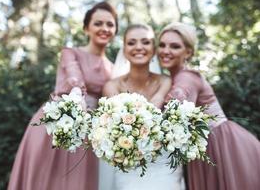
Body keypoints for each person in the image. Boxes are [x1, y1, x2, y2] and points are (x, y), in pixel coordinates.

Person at [7, 1, 118, 190]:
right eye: (98, 23)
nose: (104, 28)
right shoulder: (70, 53)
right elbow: (74, 75)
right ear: (86, 28)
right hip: (55, 123)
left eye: (110, 24)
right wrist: (76, 94)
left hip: (88, 132)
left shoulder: (114, 69)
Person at [157, 22, 260, 190]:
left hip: (219, 145)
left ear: (188, 52)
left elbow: (175, 107)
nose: (165, 51)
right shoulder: (177, 76)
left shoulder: (186, 77)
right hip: (212, 143)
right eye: (162, 45)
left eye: (174, 46)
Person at [101, 24, 185, 190]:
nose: (139, 47)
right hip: (130, 163)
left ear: (153, 49)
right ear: (124, 50)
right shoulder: (111, 87)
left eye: (145, 42)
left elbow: (156, 109)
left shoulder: (166, 81)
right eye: (132, 43)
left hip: (164, 163)